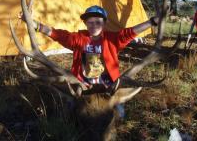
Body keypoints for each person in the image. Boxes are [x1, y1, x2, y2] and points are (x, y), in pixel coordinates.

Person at [27, 5, 158, 93]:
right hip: (83, 86)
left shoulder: (112, 39)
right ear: (85, 23)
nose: (94, 25)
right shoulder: (78, 38)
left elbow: (130, 32)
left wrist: (152, 22)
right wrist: (35, 24)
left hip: (109, 86)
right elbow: (58, 34)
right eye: (90, 22)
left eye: (98, 22)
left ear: (104, 23)